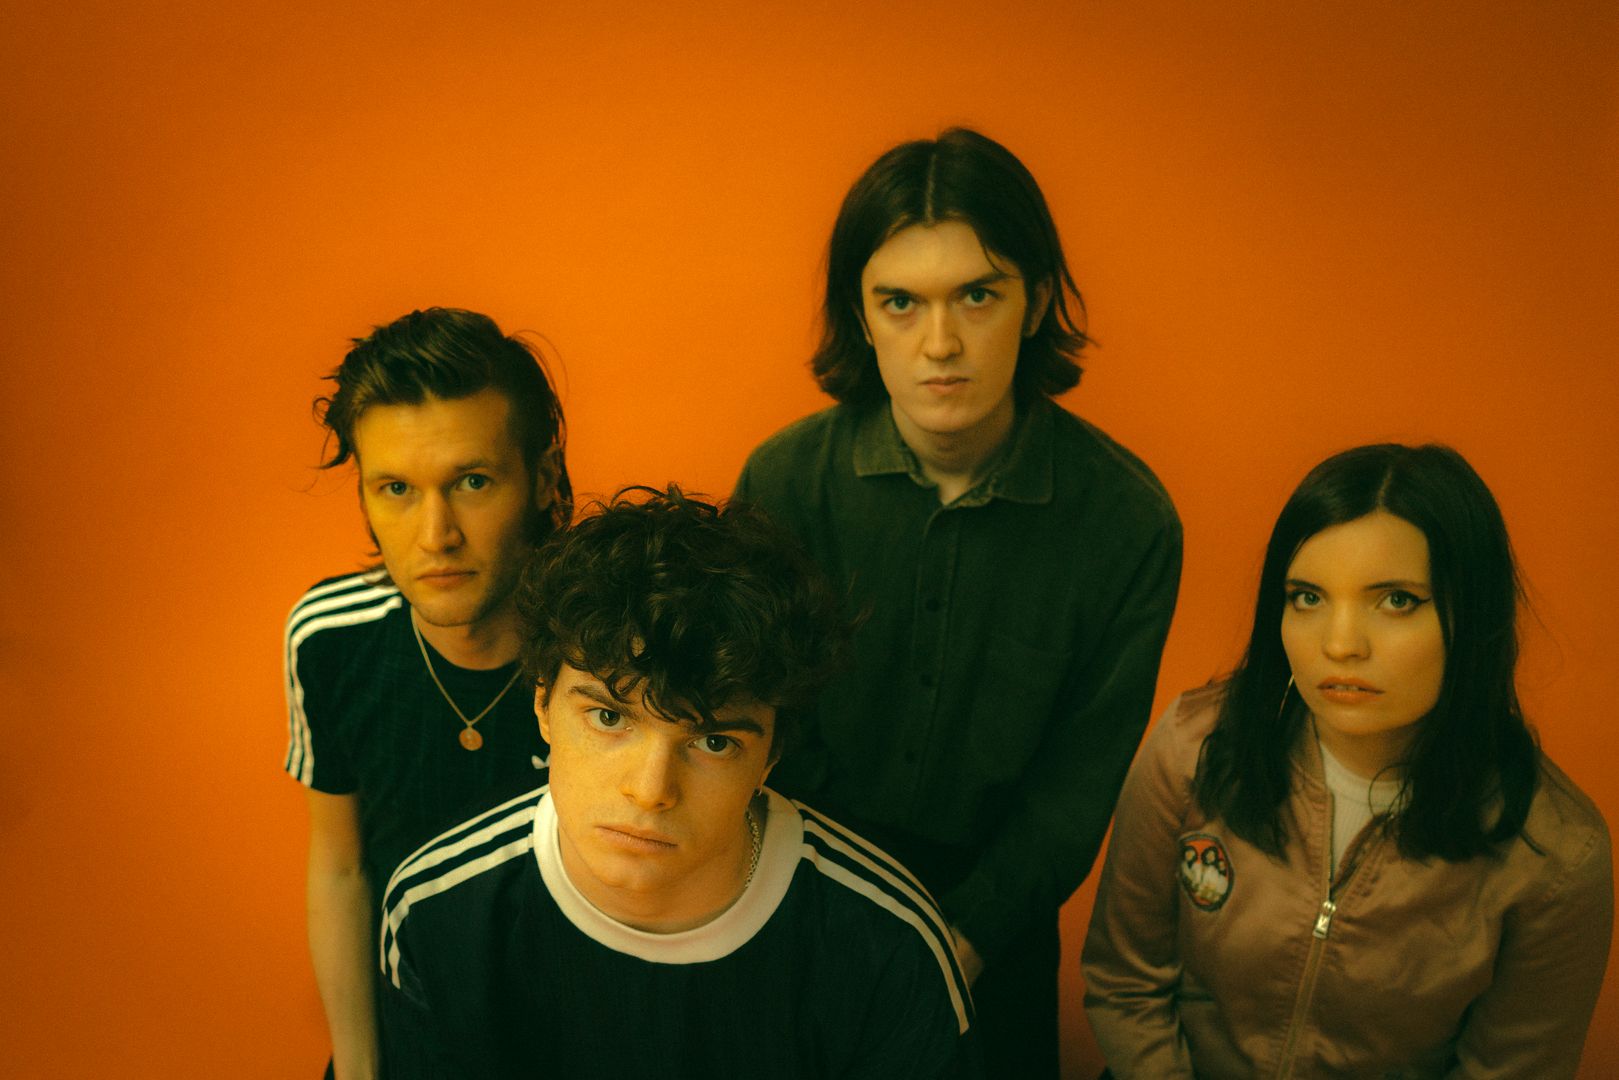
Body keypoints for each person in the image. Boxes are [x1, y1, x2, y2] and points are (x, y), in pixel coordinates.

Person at [734, 127, 1181, 1074]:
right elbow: (741, 716)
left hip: (992, 929)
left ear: (1036, 301)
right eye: (900, 302)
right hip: (783, 897)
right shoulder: (783, 482)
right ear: (860, 317)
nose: (940, 344)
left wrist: (956, 944)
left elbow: (1076, 786)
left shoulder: (1127, 521)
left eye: (977, 295)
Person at [376, 487, 978, 1078]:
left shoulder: (888, 942)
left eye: (713, 742)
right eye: (608, 717)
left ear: (770, 756)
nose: (650, 789)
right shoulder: (435, 911)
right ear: (543, 706)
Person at [1083, 443, 1613, 1078]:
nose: (1339, 645)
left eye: (1396, 601)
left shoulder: (1556, 855)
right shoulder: (1195, 746)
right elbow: (1125, 982)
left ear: (1472, 615)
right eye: (1308, 597)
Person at [283, 307, 570, 1079]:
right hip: (411, 1044)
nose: (435, 533)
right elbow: (340, 868)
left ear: (542, 479)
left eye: (472, 482)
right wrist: (358, 1067)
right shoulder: (329, 636)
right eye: (397, 489)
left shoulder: (607, 642)